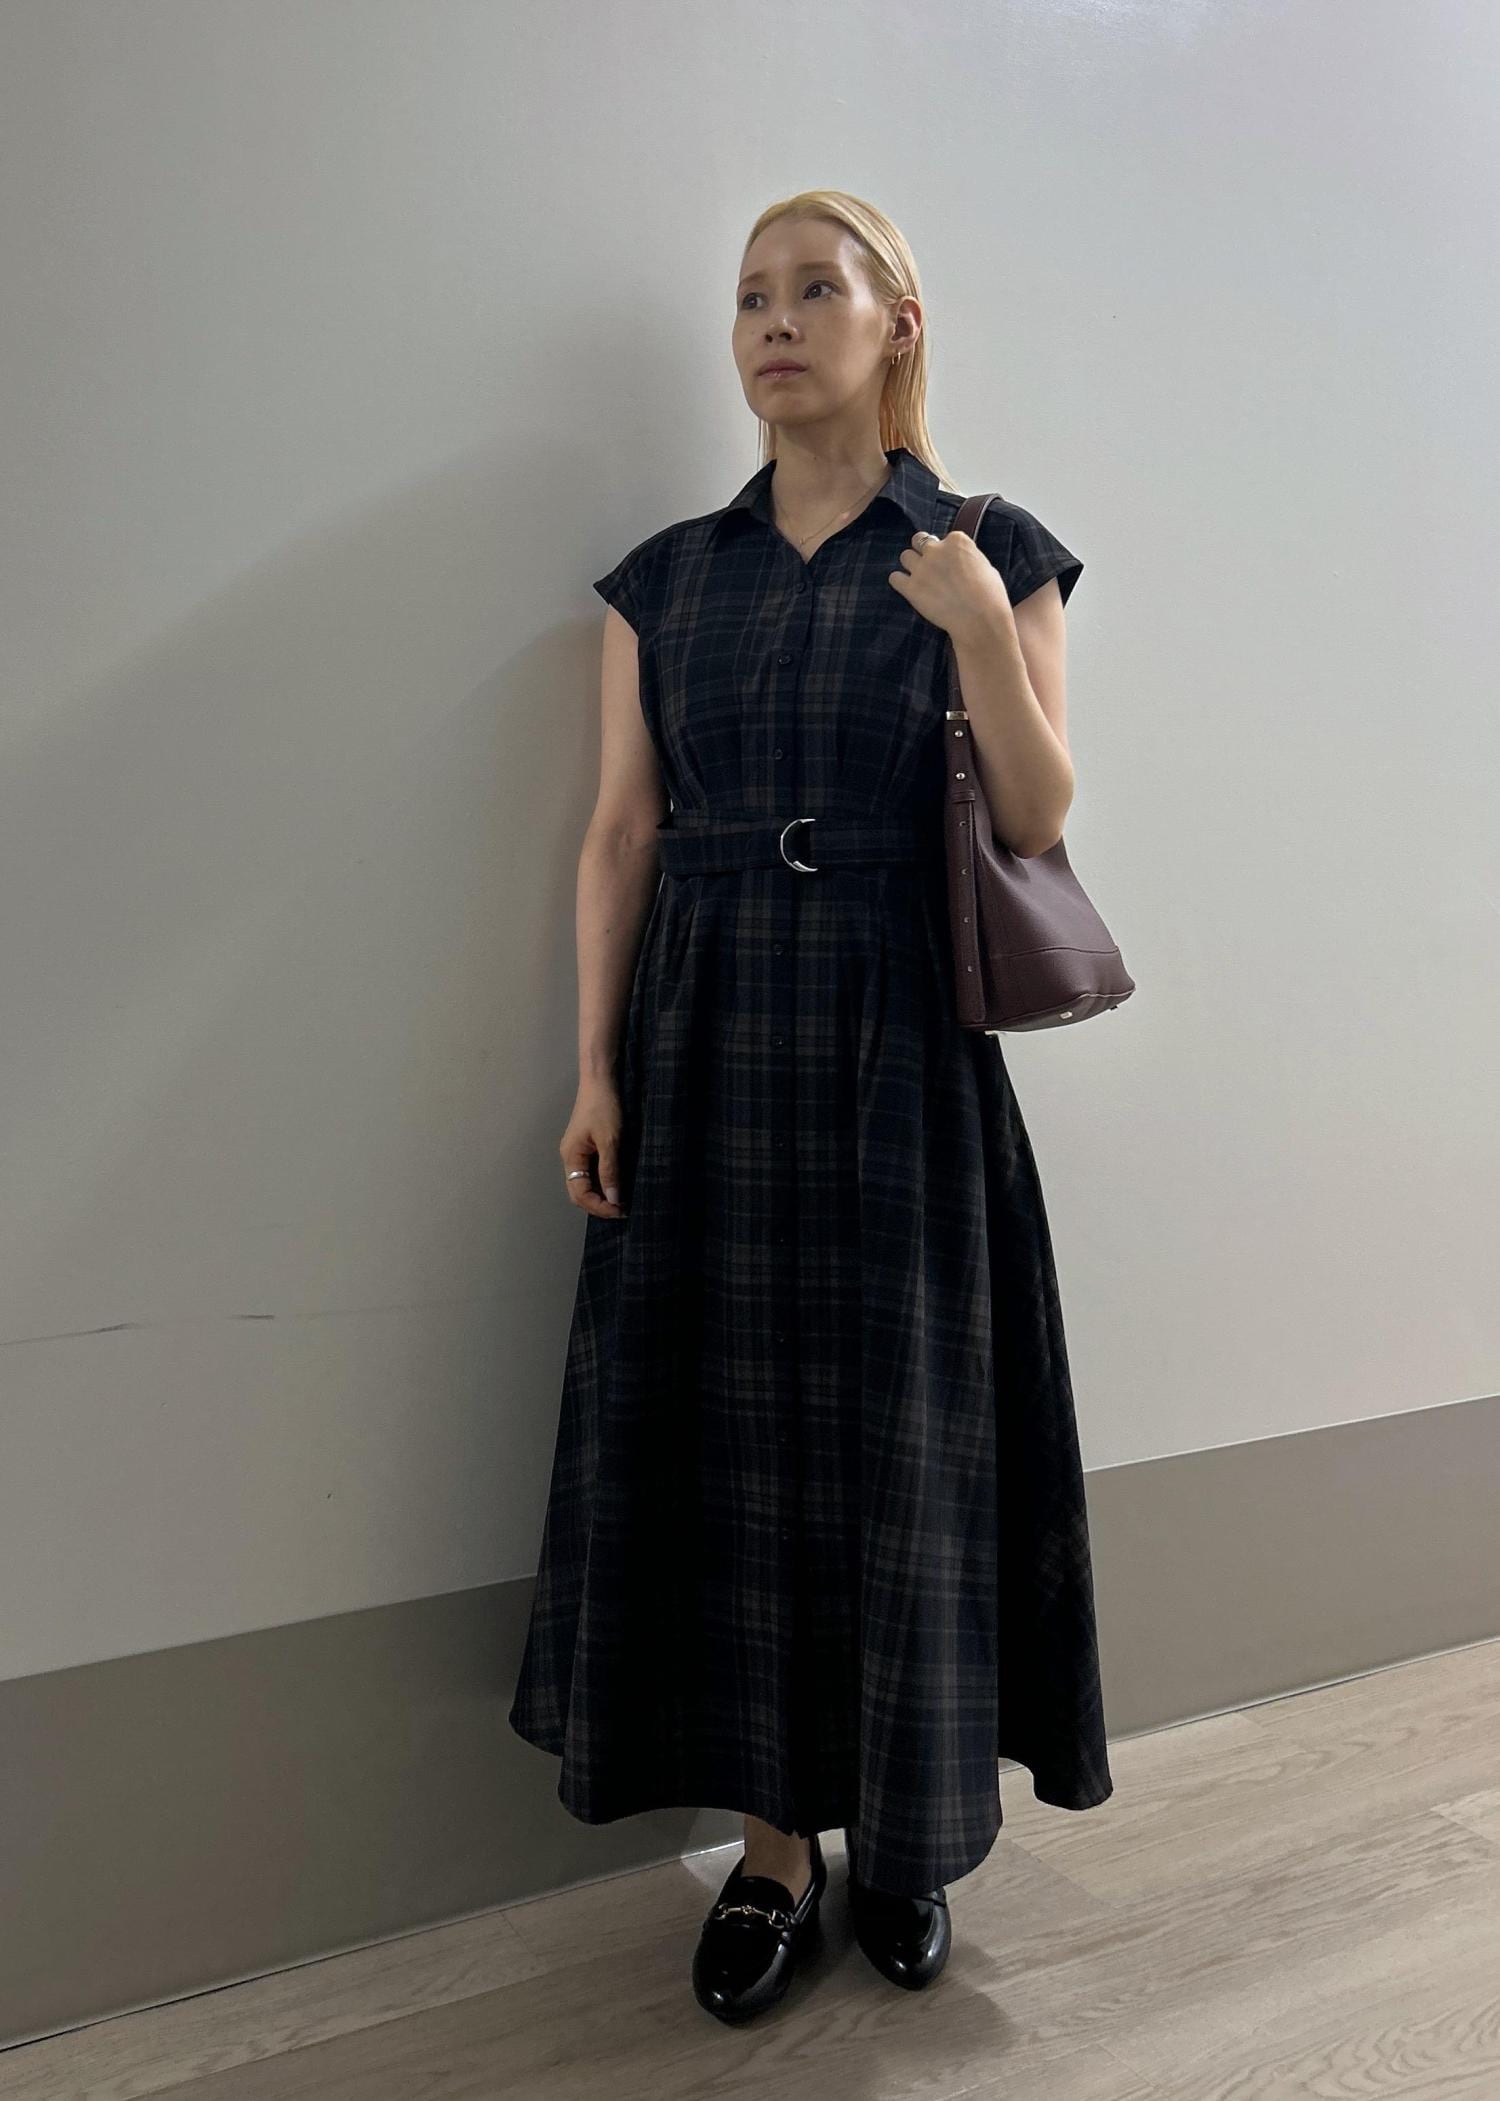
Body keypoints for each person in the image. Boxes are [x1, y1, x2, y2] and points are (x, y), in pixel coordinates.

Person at [508, 187, 1113, 2024]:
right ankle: (778, 1850)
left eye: (815, 288)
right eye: (751, 295)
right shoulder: (666, 580)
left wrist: (982, 632)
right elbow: (621, 833)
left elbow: (1039, 821)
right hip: (704, 1045)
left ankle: (907, 1836)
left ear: (894, 322)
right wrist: (596, 1067)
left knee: (905, 1431)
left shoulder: (988, 547)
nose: (774, 321)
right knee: (736, 1445)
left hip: (901, 1036)